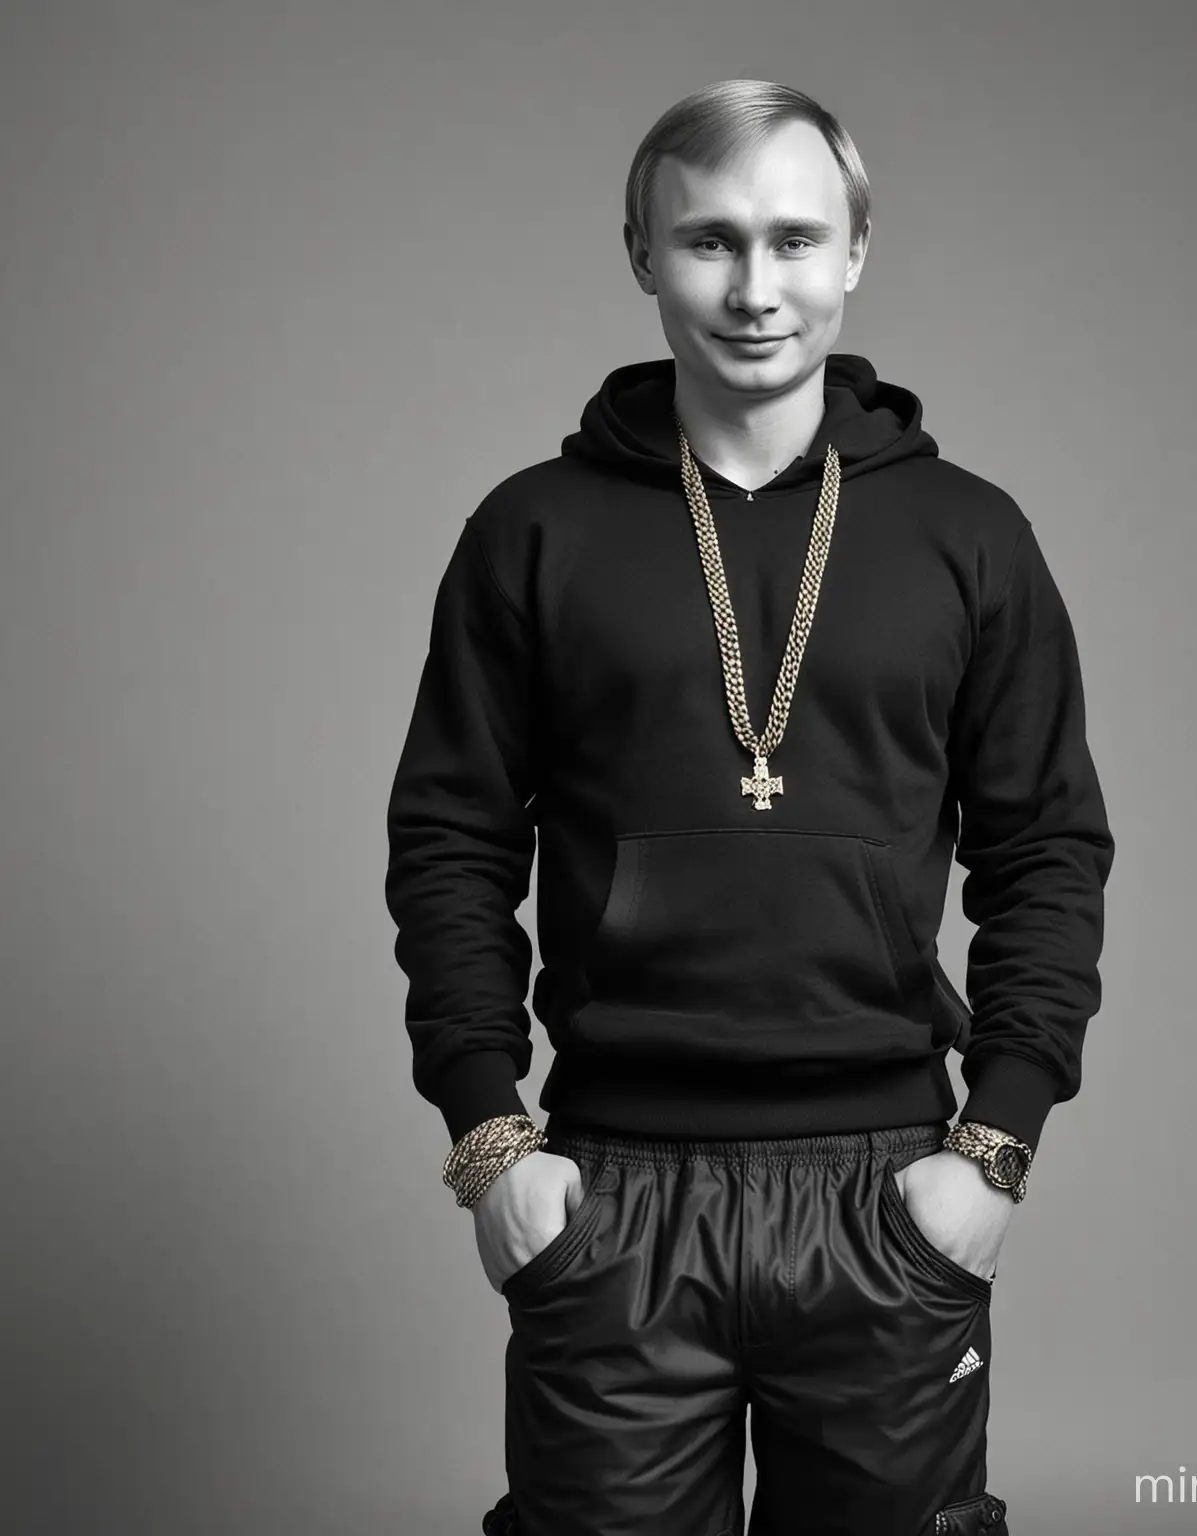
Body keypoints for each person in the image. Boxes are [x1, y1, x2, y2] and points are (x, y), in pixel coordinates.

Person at [384, 78, 1114, 1536]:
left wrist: (998, 1145)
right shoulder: (533, 528)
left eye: (795, 240)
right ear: (643, 254)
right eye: (712, 241)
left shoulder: (970, 533)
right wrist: (488, 1142)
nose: (756, 287)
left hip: (884, 1189)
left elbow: (1047, 848)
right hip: (614, 1193)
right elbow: (452, 840)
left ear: (856, 253)